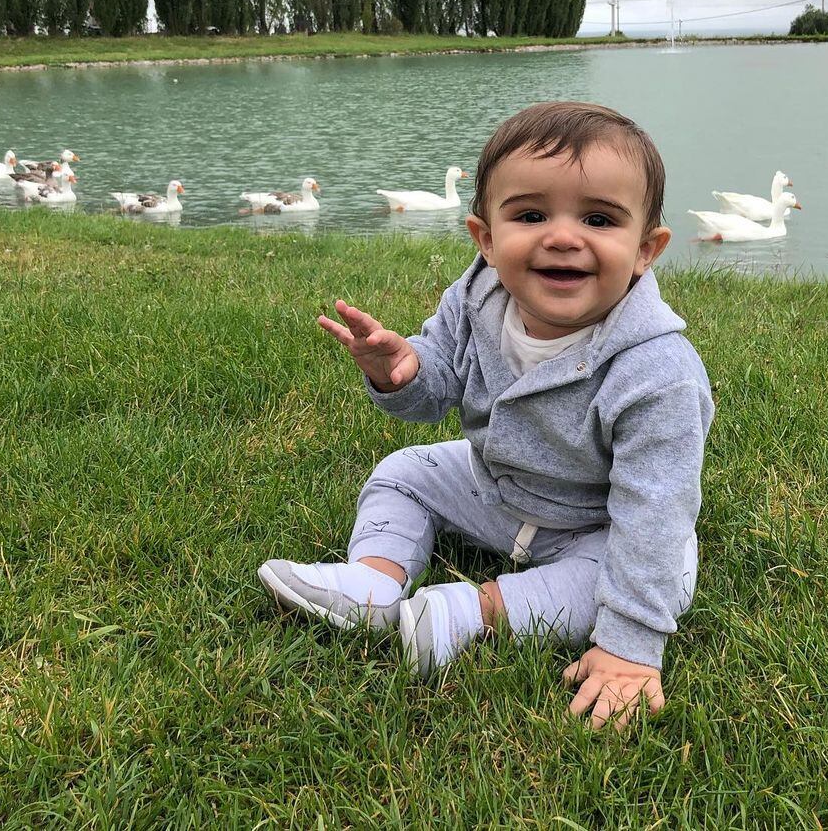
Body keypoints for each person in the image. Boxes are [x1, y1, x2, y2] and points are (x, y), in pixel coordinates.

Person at [259, 101, 713, 729]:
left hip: (595, 524)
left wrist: (629, 652)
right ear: (486, 239)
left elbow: (654, 510)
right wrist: (404, 370)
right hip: (492, 489)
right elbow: (438, 382)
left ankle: (469, 613)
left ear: (646, 249)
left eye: (599, 218)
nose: (561, 235)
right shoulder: (476, 299)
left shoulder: (657, 371)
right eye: (530, 214)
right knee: (402, 472)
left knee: (655, 569)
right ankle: (372, 581)